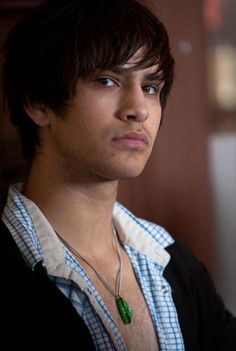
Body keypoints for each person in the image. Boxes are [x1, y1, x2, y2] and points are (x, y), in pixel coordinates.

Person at [0, 0, 235, 350]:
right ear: (38, 103)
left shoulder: (173, 261)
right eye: (107, 80)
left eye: (151, 86)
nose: (139, 109)